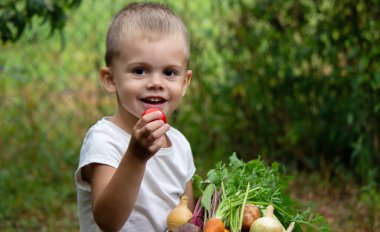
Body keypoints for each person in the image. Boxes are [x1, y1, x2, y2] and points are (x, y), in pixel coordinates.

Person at [75, 2, 195, 231]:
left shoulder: (180, 145)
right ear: (110, 79)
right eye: (140, 71)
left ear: (185, 82)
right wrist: (136, 157)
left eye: (169, 73)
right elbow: (108, 221)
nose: (156, 83)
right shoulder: (104, 140)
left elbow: (185, 217)